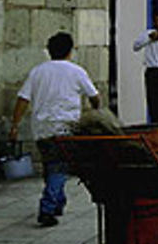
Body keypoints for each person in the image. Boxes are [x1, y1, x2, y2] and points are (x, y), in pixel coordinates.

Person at [9, 32, 100, 227]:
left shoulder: (38, 71)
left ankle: (58, 201)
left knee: (52, 165)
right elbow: (94, 96)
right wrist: (96, 109)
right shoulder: (77, 71)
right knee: (59, 167)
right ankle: (48, 208)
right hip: (66, 127)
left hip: (42, 128)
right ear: (70, 51)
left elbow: (23, 99)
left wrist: (15, 125)